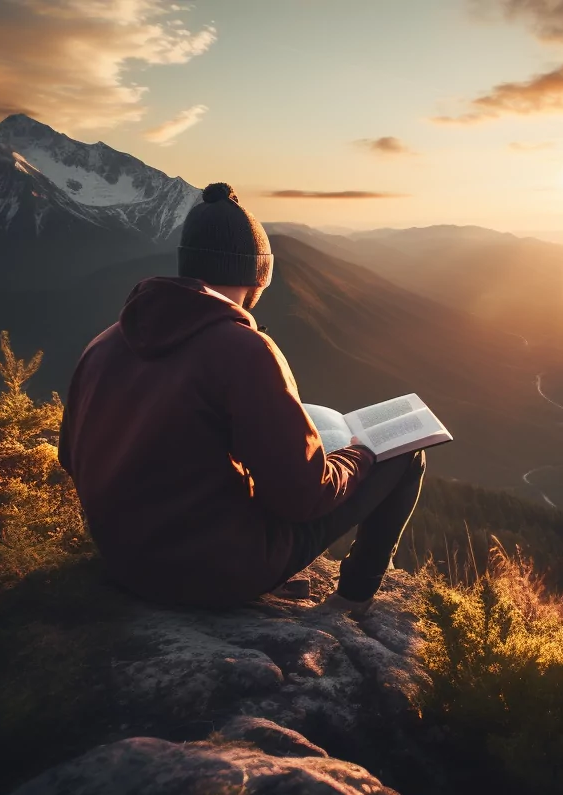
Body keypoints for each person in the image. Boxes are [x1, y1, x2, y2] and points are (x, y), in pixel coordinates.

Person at [58, 182, 425, 615]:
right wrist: (359, 455)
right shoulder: (244, 349)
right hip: (212, 572)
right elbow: (302, 497)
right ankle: (353, 601)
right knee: (407, 456)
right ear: (258, 276)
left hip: (123, 560)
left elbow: (69, 455)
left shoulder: (106, 341)